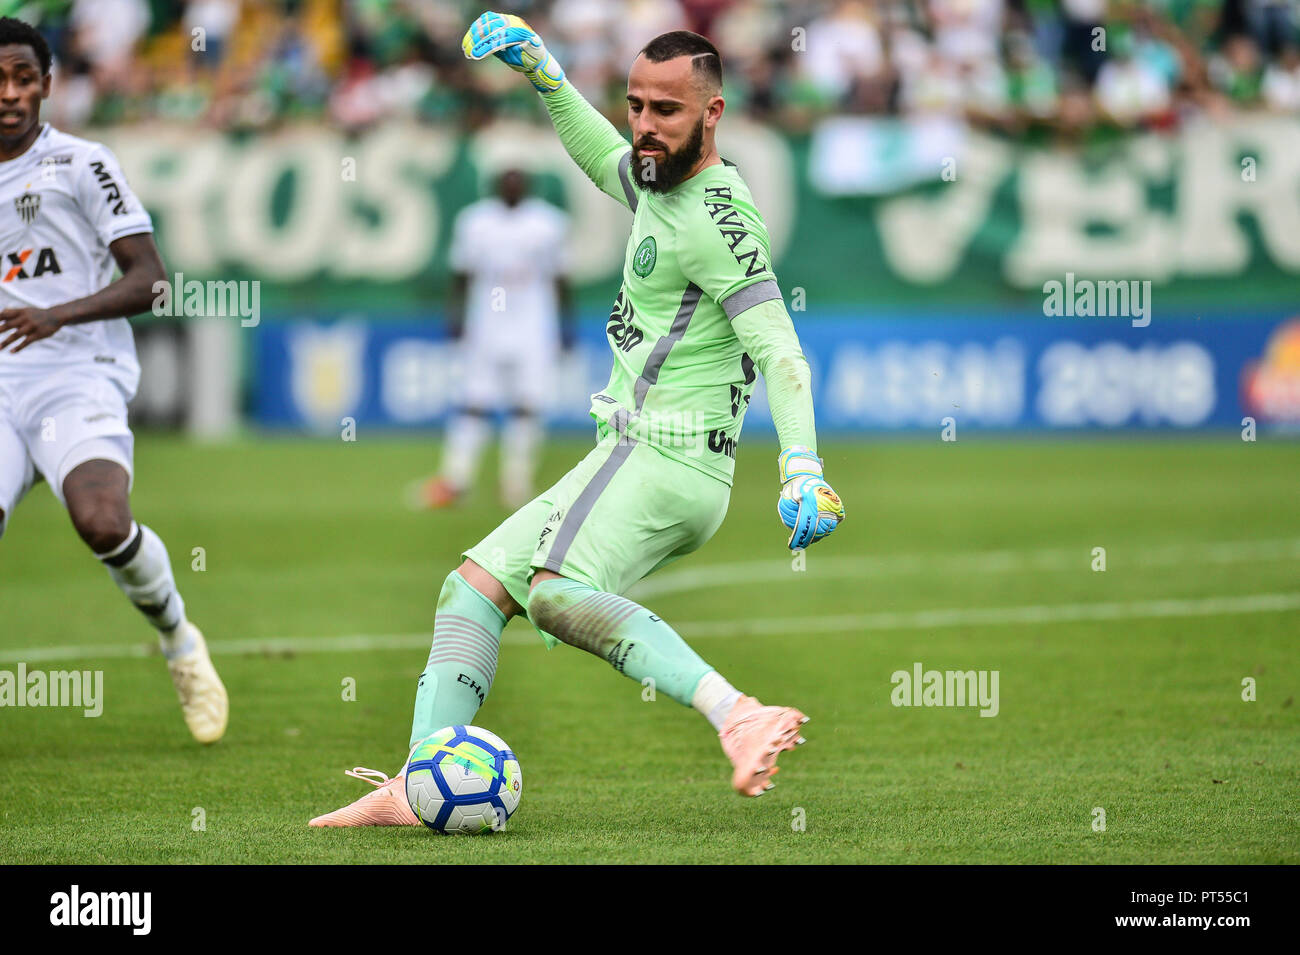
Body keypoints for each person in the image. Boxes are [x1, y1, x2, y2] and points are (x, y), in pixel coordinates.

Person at [310, 12, 843, 826]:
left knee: (556, 592)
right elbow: (603, 158)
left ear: (713, 113)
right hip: (635, 450)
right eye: (635, 104)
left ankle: (737, 712)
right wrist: (546, 74)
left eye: (666, 110)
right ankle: (416, 783)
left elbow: (782, 350)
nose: (643, 127)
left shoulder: (718, 219)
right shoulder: (657, 180)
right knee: (473, 589)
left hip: (669, 458)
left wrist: (801, 463)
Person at [0, 17, 227, 744]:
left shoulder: (81, 164)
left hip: (76, 371)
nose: (9, 94)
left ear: (47, 85)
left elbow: (152, 282)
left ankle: (179, 640)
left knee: (100, 519)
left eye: (23, 79)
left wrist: (54, 314)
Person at [413, 167, 573, 511]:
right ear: (496, 186)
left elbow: (561, 277)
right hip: (486, 324)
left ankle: (516, 482)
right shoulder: (475, 222)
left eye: (519, 179)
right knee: (474, 402)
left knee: (527, 404)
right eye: (506, 180)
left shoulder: (548, 223)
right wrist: (455, 319)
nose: (513, 185)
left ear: (530, 185)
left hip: (532, 326)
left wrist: (565, 327)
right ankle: (456, 479)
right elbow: (461, 274)